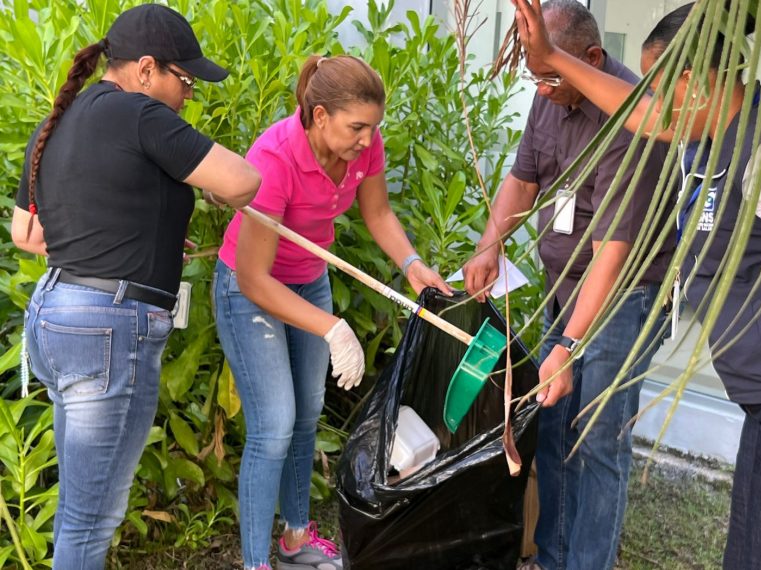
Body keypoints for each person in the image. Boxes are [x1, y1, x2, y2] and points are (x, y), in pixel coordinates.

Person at [511, 0, 761, 568]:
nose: (649, 104)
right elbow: (634, 113)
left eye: (656, 87)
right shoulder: (705, 139)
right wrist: (552, 57)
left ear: (691, 81)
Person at [11, 4, 261, 569]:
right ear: (146, 69)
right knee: (90, 519)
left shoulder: (59, 120)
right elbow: (245, 181)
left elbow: (26, 233)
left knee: (80, 509)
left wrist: (121, 238)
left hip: (55, 315)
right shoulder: (142, 115)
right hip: (107, 329)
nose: (189, 94)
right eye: (186, 80)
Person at [212, 54, 451, 570]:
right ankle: (255, 563)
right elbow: (254, 277)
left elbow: (378, 211)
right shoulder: (274, 159)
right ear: (320, 116)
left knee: (306, 415)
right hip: (250, 289)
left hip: (308, 278)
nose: (367, 140)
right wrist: (332, 326)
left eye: (374, 128)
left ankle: (295, 537)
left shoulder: (365, 146)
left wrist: (411, 264)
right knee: (274, 424)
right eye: (357, 127)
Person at [463, 2, 673, 568]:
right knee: (555, 428)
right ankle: (552, 557)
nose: (542, 89)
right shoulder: (546, 93)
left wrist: (568, 346)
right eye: (535, 76)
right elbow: (522, 178)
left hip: (622, 295)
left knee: (596, 439)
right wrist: (490, 245)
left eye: (550, 75)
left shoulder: (633, 118)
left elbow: (612, 249)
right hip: (565, 287)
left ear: (592, 59)